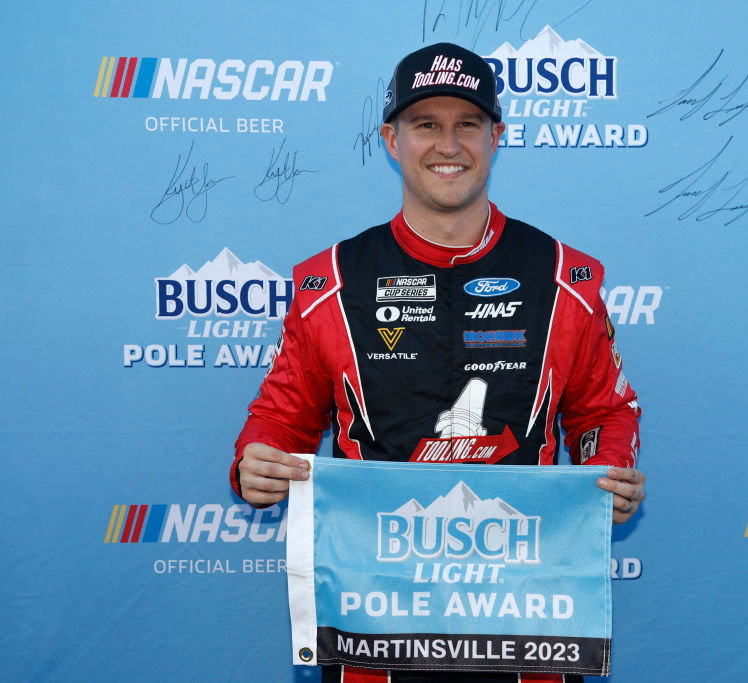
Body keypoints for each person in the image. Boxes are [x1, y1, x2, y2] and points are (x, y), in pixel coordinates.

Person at [230, 42, 646, 683]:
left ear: (496, 137)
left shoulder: (565, 277)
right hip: (374, 636)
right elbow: (280, 424)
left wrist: (606, 474)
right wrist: (254, 462)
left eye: (467, 125)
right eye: (426, 124)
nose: (447, 145)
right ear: (392, 140)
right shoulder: (330, 285)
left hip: (527, 631)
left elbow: (603, 413)